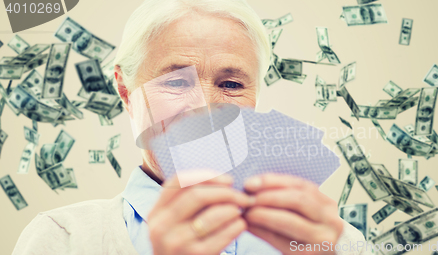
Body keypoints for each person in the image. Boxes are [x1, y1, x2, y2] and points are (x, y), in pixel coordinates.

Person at [13, 0, 366, 254]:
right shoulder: (63, 240)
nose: (204, 108)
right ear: (125, 90)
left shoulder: (338, 244)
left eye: (231, 85)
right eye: (177, 82)